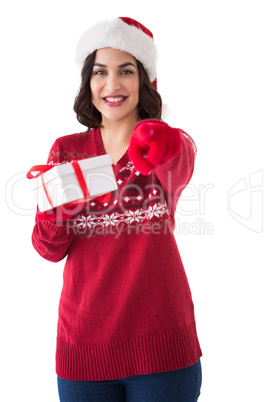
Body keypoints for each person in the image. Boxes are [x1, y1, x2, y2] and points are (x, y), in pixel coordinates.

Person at [31, 17, 202, 402]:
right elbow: (47, 248)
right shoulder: (67, 150)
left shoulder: (165, 143)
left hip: (163, 351)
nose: (112, 84)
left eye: (126, 71)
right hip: (84, 351)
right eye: (100, 72)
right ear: (87, 83)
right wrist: (60, 211)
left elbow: (181, 159)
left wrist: (157, 137)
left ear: (144, 81)